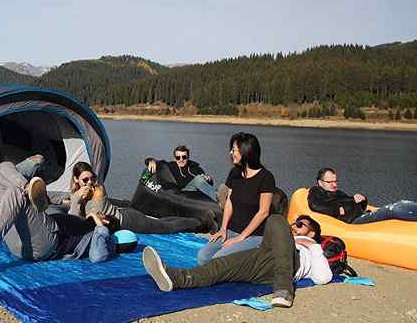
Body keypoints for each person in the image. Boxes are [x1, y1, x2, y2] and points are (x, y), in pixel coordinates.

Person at [0, 162, 128, 281]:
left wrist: (100, 225)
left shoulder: (101, 235)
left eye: (105, 217)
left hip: (48, 242)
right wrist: (77, 201)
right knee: (3, 167)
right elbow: (73, 215)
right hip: (21, 239)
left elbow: (97, 257)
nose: (99, 214)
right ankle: (28, 187)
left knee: (16, 193)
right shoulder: (82, 218)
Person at [142, 214, 332, 308]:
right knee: (219, 266)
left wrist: (314, 246)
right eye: (295, 222)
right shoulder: (287, 235)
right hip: (262, 258)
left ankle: (283, 290)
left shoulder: (311, 248)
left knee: (276, 218)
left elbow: (323, 277)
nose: (294, 225)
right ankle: (176, 278)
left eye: (300, 225)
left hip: (290, 263)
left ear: (313, 232)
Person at [197, 132, 276, 265]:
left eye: (234, 150)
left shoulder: (266, 177)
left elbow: (263, 212)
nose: (231, 153)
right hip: (231, 231)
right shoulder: (235, 173)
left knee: (218, 261)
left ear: (246, 151)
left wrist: (241, 237)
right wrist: (223, 229)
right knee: (202, 257)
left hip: (254, 235)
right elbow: (229, 201)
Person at [69, 162, 208, 234]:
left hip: (129, 221)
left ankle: (200, 222)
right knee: (161, 222)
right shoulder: (76, 193)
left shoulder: (98, 190)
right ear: (76, 180)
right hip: (122, 215)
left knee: (166, 227)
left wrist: (77, 202)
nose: (90, 183)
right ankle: (193, 220)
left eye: (92, 178)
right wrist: (76, 199)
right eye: (85, 180)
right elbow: (76, 218)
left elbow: (94, 222)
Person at [308, 167, 417, 224]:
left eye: (335, 181)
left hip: (362, 214)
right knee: (392, 209)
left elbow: (357, 205)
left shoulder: (338, 192)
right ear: (320, 182)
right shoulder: (316, 191)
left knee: (403, 202)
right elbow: (315, 205)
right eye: (330, 182)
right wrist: (337, 209)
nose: (334, 184)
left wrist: (362, 199)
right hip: (355, 221)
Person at [145, 145, 216, 199]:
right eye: (178, 157)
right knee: (199, 179)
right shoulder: (171, 166)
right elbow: (157, 162)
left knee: (202, 179)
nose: (181, 160)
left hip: (198, 193)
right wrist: (151, 161)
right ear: (175, 158)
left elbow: (208, 184)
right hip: (184, 192)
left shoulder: (196, 167)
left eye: (184, 157)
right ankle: (218, 200)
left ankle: (221, 195)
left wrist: (209, 179)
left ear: (188, 157)